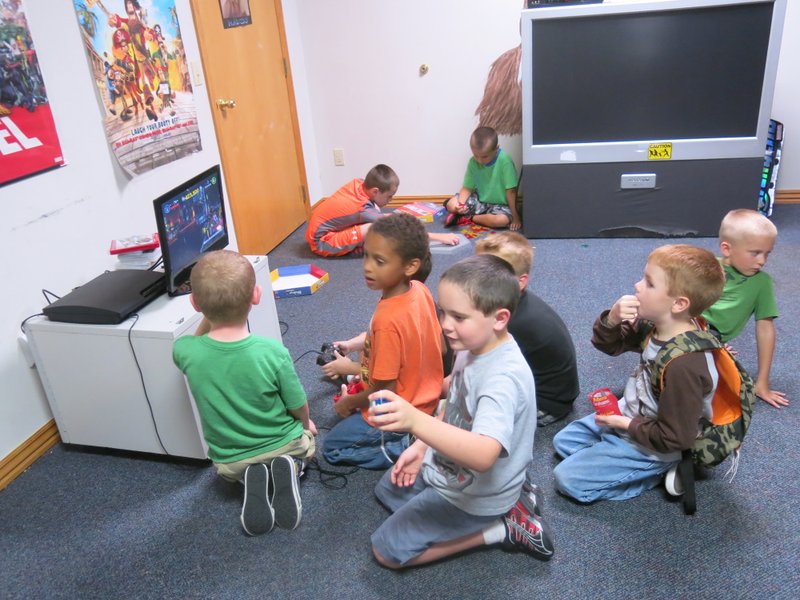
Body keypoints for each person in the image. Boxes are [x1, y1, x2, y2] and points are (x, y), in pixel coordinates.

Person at [367, 254, 554, 568]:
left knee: (386, 553)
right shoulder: (474, 343)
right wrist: (423, 448)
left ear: (499, 318)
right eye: (443, 312)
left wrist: (415, 422)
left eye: (458, 317)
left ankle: (501, 529)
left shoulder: (501, 379)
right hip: (451, 467)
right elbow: (454, 405)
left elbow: (483, 455)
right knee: (387, 490)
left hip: (477, 491)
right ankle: (516, 495)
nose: (445, 325)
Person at [552, 244, 726, 503]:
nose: (637, 286)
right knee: (562, 442)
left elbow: (675, 436)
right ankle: (616, 457)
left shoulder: (684, 366)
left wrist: (623, 424)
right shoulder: (655, 325)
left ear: (678, 304)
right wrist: (612, 318)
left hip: (658, 444)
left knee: (567, 480)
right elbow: (608, 345)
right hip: (637, 413)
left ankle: (659, 470)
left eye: (649, 283)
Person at [172, 250, 316, 536]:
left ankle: (247, 478)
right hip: (286, 445)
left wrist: (206, 312)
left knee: (237, 468)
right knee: (308, 442)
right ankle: (293, 468)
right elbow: (297, 403)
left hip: (231, 461)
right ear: (256, 295)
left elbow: (195, 340)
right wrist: (305, 425)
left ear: (194, 303)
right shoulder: (273, 352)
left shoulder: (185, 351)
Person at [321, 212, 444, 469]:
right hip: (426, 394)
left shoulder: (387, 321)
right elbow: (427, 344)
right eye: (366, 255)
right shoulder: (419, 289)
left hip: (401, 410)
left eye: (379, 261)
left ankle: (405, 444)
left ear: (410, 266)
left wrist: (350, 403)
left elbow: (384, 391)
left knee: (332, 448)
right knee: (352, 379)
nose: (367, 266)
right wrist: (356, 349)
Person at [475, 232, 579, 426]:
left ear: (521, 281)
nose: (478, 279)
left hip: (547, 402)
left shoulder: (511, 322)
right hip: (544, 387)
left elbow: (482, 367)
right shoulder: (509, 302)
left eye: (491, 275)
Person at [702, 209, 787, 408]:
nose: (762, 261)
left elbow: (765, 328)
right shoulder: (706, 266)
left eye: (767, 253)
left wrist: (762, 382)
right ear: (726, 248)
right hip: (683, 324)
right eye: (755, 253)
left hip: (709, 335)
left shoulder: (761, 283)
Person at [306, 164, 460, 257]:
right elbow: (393, 225)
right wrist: (438, 237)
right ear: (375, 191)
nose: (390, 201)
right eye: (389, 197)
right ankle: (352, 247)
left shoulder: (359, 183)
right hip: (321, 242)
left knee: (378, 211)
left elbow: (375, 210)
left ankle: (357, 241)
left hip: (323, 228)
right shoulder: (362, 208)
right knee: (378, 227)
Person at [443, 126, 521, 231]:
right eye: (476, 155)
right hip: (480, 201)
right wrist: (460, 206)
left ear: (496, 148)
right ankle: (461, 214)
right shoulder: (472, 162)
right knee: (450, 204)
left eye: (484, 157)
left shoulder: (505, 161)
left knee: (501, 221)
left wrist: (515, 216)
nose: (479, 160)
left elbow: (511, 191)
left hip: (500, 205)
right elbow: (467, 188)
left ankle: (470, 218)